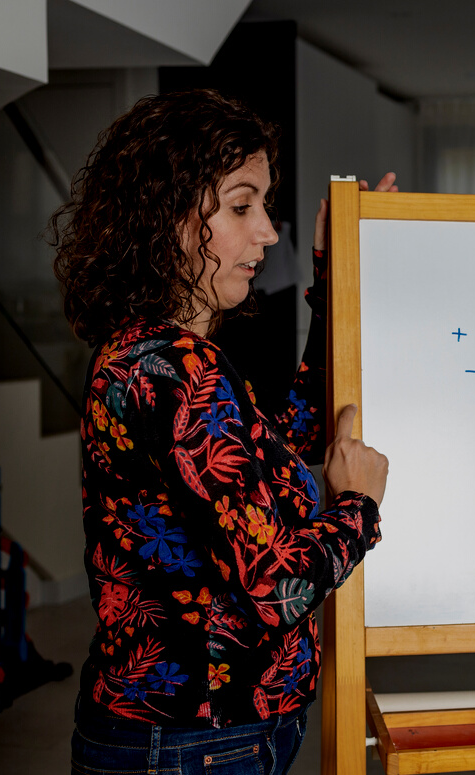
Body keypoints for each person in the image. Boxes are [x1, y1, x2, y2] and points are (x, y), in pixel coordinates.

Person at [52, 89, 392, 774]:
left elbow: (288, 459)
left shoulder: (152, 354)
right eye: (242, 206)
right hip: (196, 741)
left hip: (196, 734)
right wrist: (359, 506)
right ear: (166, 215)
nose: (268, 231)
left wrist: (333, 282)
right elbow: (277, 588)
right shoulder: (180, 371)